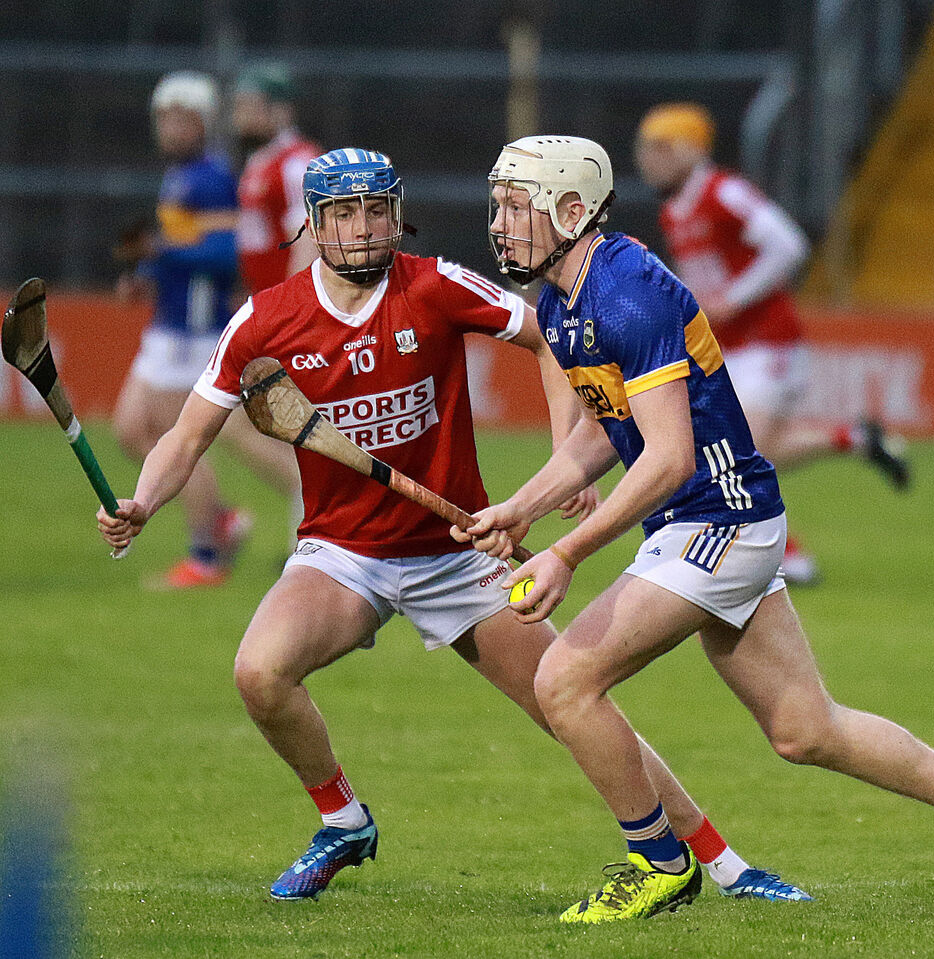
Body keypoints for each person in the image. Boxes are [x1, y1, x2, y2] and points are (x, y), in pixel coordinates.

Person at [97, 148, 808, 905]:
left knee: (573, 703)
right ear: (311, 225)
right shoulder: (266, 317)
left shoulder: (435, 284)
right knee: (259, 673)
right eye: (343, 214)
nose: (363, 229)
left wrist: (565, 454)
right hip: (342, 552)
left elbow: (545, 337)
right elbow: (186, 434)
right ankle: (342, 820)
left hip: (459, 551)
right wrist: (144, 501)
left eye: (377, 210)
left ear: (398, 213)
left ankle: (723, 864)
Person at [462, 134, 934, 923]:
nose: (500, 224)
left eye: (517, 206)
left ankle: (660, 862)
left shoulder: (625, 292)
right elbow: (608, 430)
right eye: (499, 204)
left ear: (572, 212)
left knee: (563, 681)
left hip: (717, 520)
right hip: (713, 520)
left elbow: (669, 456)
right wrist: (523, 507)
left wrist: (569, 549)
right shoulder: (563, 301)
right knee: (807, 729)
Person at [635, 102, 910, 585]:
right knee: (750, 450)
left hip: (768, 343)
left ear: (692, 149)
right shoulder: (672, 207)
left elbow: (789, 244)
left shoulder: (725, 192)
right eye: (646, 148)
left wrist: (734, 298)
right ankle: (856, 439)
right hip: (728, 349)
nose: (648, 159)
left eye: (661, 148)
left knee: (739, 454)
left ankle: (791, 556)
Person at [112, 71, 295, 589]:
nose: (169, 127)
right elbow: (182, 246)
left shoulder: (213, 178)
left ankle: (209, 551)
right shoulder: (179, 177)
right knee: (132, 429)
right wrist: (148, 274)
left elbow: (222, 255)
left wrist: (159, 252)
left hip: (195, 331)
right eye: (163, 117)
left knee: (184, 440)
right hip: (167, 324)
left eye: (181, 117)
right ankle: (222, 521)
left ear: (202, 122)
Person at [232, 62, 321, 294]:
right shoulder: (260, 159)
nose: (241, 116)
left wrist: (293, 303)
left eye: (251, 106)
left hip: (282, 302)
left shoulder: (297, 163)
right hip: (262, 298)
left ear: (281, 110)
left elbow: (307, 239)